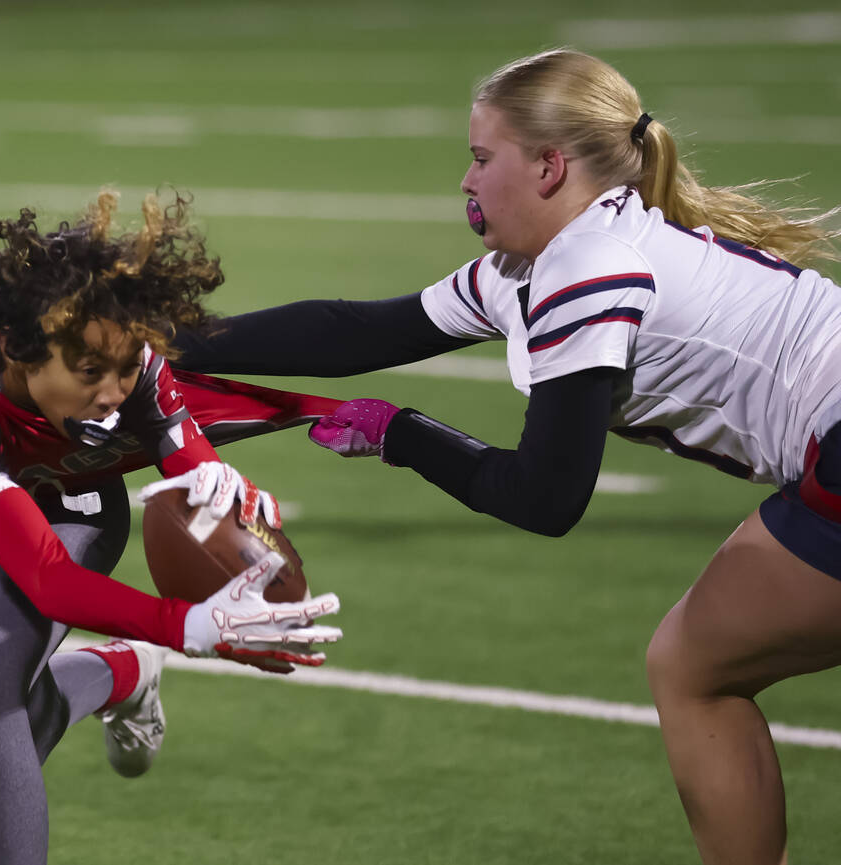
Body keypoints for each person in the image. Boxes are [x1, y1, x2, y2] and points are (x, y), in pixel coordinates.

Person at [173, 48, 841, 865]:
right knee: (692, 660)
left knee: (691, 665)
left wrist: (401, 434)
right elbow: (359, 330)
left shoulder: (586, 270)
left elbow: (545, 497)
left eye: (483, 158)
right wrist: (171, 346)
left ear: (550, 167)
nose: (466, 180)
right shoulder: (543, 263)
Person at [0, 190, 342, 865]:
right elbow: (46, 579)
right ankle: (119, 670)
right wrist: (185, 626)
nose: (116, 391)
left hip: (70, 490)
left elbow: (185, 450)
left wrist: (213, 477)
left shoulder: (120, 350)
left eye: (124, 367)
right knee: (11, 725)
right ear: (22, 351)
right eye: (91, 372)